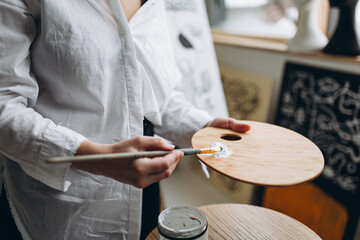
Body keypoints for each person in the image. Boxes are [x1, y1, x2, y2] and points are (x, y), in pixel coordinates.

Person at [0, 0, 250, 239]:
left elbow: (158, 97)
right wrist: (96, 159)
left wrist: (205, 127)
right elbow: (5, 106)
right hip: (60, 207)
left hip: (145, 193)